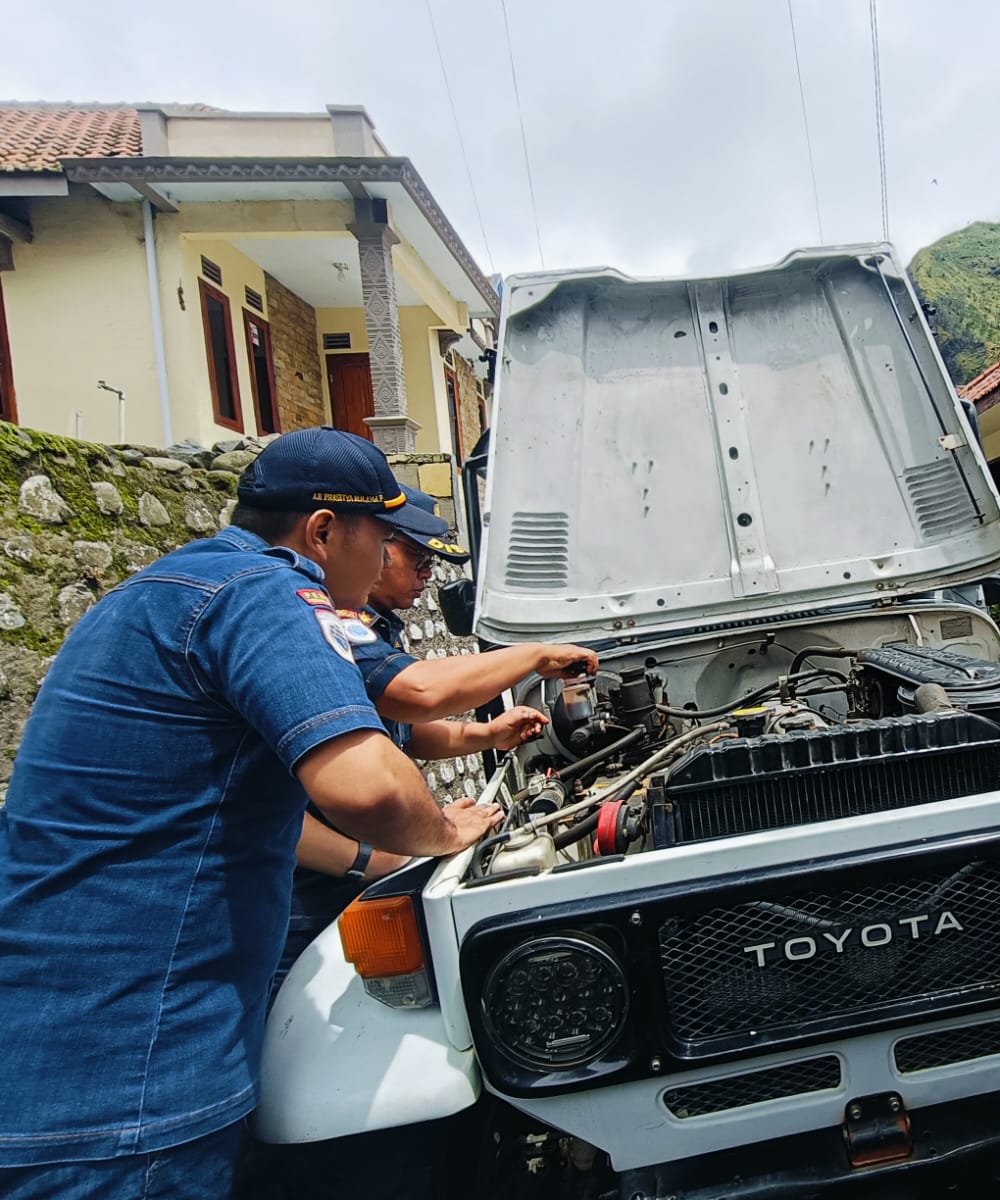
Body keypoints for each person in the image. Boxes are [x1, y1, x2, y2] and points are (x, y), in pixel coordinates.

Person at [0, 429, 505, 1200]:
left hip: (63, 1061)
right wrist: (448, 830)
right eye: (384, 538)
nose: (387, 562)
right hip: (136, 1082)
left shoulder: (155, 592)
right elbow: (369, 788)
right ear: (325, 531)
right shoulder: (265, 592)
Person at [274, 484, 598, 1003]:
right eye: (410, 553)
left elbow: (401, 728)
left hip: (362, 871)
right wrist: (383, 860)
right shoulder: (322, 625)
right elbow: (418, 692)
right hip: (308, 899)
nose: (426, 572)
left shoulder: (375, 628)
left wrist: (485, 734)